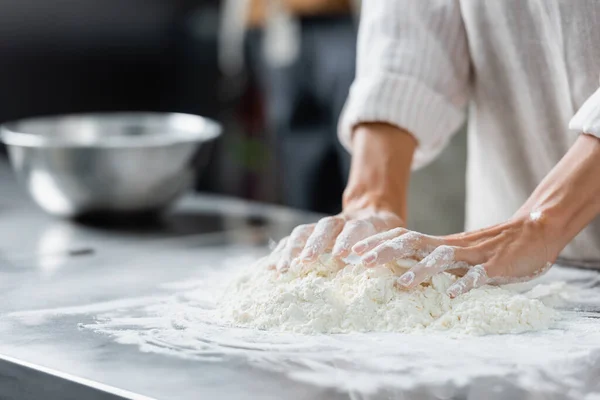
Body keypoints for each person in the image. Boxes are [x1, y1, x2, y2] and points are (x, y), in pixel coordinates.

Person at [265, 1, 600, 298]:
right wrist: (371, 200)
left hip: (523, 233)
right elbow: (405, 36)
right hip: (501, 264)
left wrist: (541, 224)